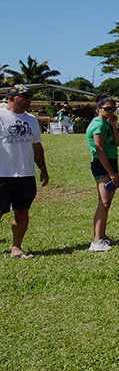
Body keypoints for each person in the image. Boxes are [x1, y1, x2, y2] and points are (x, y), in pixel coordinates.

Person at [0, 84, 50, 259]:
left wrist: (43, 169)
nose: (29, 100)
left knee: (22, 211)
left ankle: (16, 247)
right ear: (11, 98)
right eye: (25, 96)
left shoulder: (31, 120)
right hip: (2, 174)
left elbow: (37, 147)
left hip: (25, 174)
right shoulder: (1, 116)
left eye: (30, 96)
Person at [86, 95, 119, 252]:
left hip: (111, 161)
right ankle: (96, 241)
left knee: (107, 202)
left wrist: (114, 126)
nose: (110, 112)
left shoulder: (106, 124)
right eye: (107, 109)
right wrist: (111, 173)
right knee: (104, 202)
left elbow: (118, 142)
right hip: (102, 163)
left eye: (113, 109)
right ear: (98, 109)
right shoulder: (98, 125)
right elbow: (99, 150)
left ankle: (102, 235)